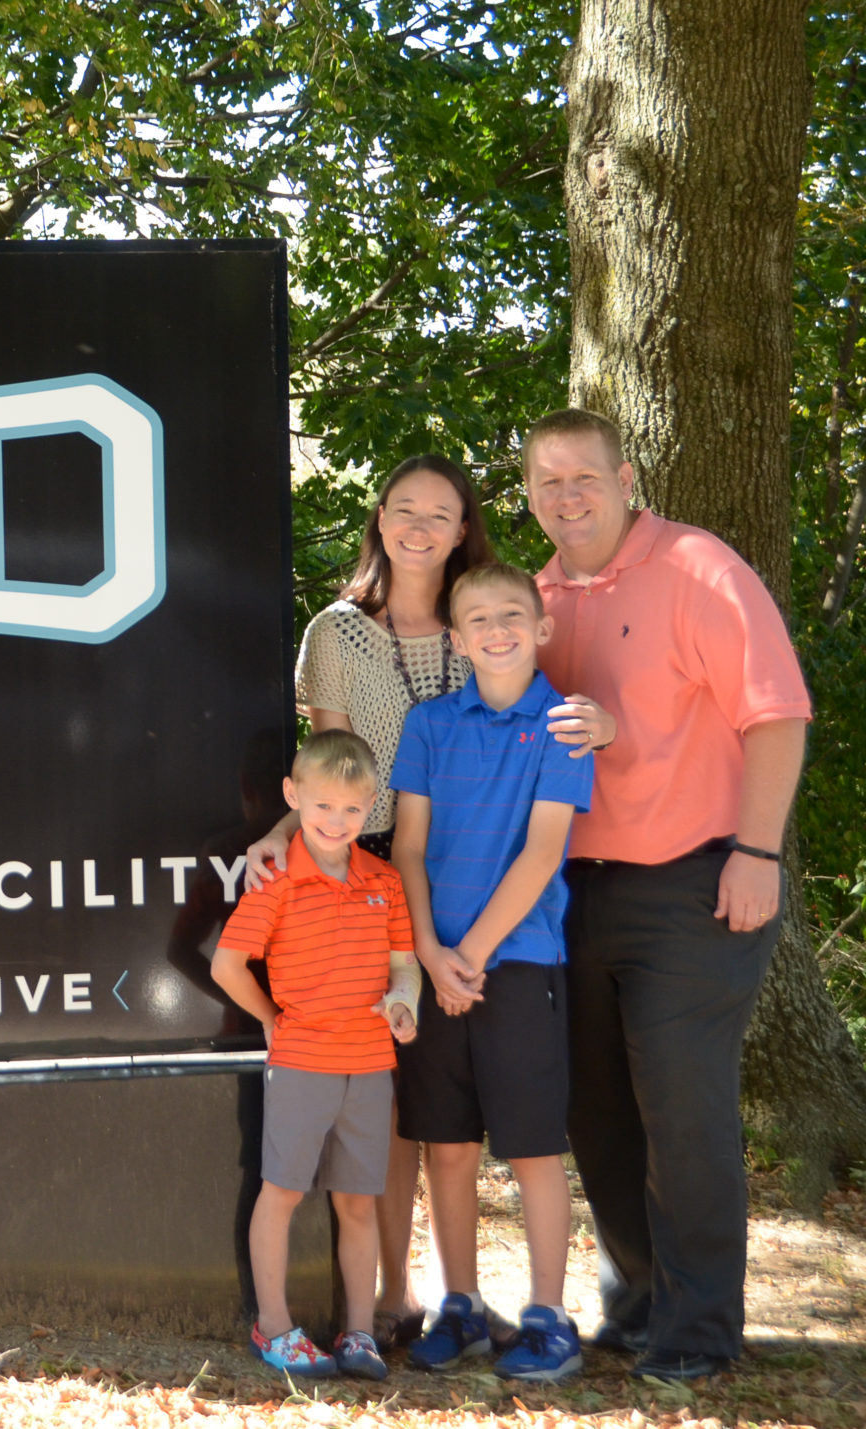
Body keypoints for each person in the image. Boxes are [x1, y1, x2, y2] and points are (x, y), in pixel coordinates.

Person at [246, 454, 613, 1349]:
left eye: (439, 513)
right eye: (402, 509)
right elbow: (327, 760)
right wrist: (286, 836)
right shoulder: (336, 630)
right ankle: (397, 1294)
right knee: (397, 1097)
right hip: (367, 862)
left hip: (475, 884)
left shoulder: (483, 619)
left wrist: (601, 722)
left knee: (435, 1104)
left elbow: (556, 736)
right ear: (379, 519)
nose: (418, 526)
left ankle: (464, 1297)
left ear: (463, 528)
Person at [524, 408, 811, 1382]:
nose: (565, 497)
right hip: (568, 892)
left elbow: (774, 715)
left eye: (582, 479)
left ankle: (697, 1329)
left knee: (679, 1106)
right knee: (593, 1109)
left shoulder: (698, 570)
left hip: (693, 880)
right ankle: (640, 1302)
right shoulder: (532, 598)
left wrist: (756, 853)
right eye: (545, 482)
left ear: (627, 478)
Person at [388, 563, 596, 1382]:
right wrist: (433, 953)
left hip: (517, 965)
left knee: (534, 1147)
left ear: (542, 627)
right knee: (446, 1146)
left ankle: (548, 1316)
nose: (497, 628)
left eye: (514, 613)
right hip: (436, 964)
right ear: (456, 637)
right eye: (478, 618)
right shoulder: (430, 723)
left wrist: (468, 956)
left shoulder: (562, 723)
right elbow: (407, 847)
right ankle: (463, 1304)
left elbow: (544, 850)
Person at [213, 729, 422, 1380]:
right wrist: (272, 1018)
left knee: (357, 1200)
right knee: (281, 1191)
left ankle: (359, 1332)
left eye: (353, 809)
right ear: (292, 796)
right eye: (323, 805)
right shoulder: (275, 878)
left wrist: (404, 1004)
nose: (337, 820)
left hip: (370, 1064)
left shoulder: (383, 880)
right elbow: (227, 965)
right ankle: (273, 1326)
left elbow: (405, 965)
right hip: (303, 1061)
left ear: (371, 808)